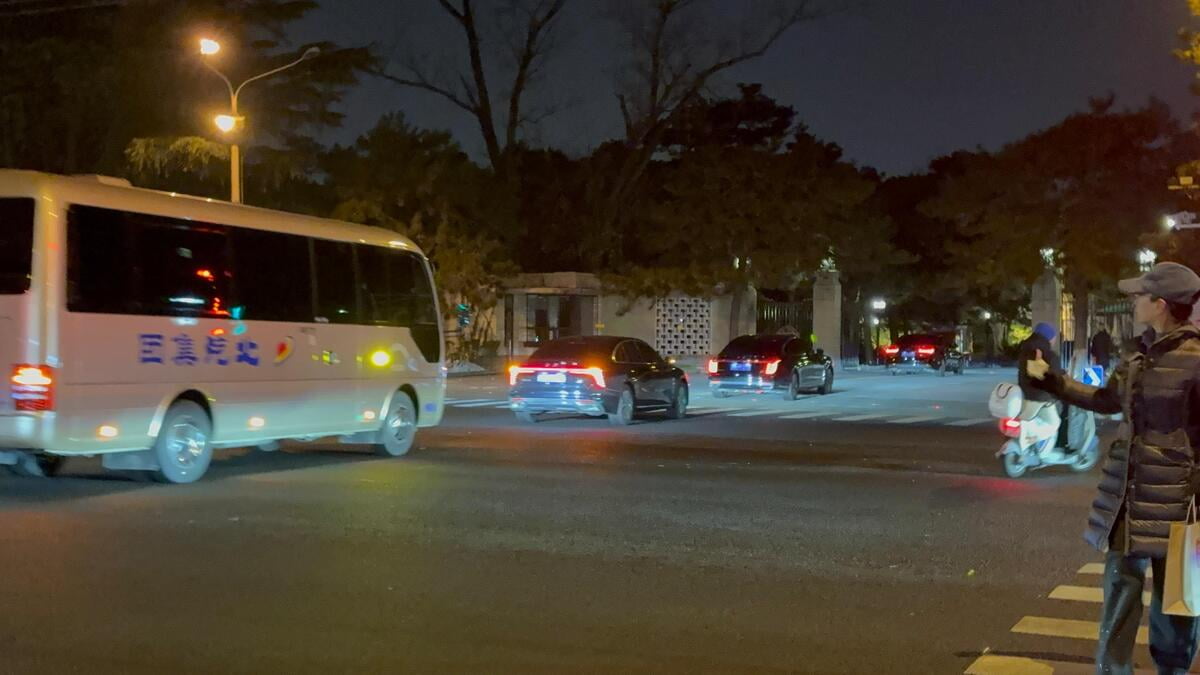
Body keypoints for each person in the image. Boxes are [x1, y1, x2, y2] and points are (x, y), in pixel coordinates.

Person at [1026, 261, 1200, 674]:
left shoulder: (1196, 359)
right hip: (1127, 494)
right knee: (1120, 590)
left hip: (1185, 504)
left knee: (1178, 604)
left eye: (1140, 295)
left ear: (1160, 304)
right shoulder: (1138, 356)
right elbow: (1107, 401)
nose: (1133, 301)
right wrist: (1053, 380)